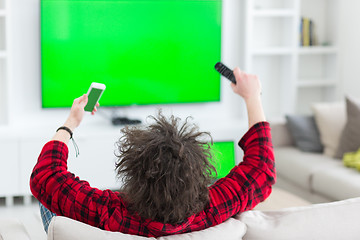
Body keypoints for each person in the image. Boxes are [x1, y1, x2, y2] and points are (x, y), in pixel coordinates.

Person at [30, 67, 275, 237]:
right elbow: (262, 168)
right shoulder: (213, 209)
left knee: (51, 201)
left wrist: (70, 123)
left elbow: (45, 176)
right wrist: (252, 96)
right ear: (199, 174)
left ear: (132, 172)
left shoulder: (108, 211)